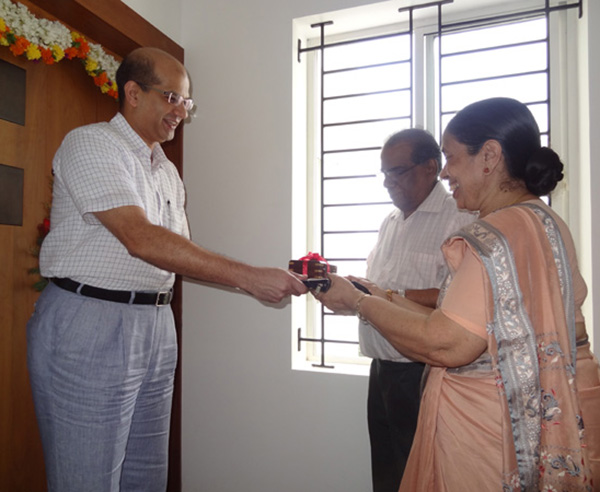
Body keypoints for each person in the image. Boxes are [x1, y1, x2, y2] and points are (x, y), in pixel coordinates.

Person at [26, 47, 307, 492]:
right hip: (90, 320)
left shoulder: (167, 173)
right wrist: (248, 276)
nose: (181, 112)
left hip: (156, 325)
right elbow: (140, 239)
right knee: (87, 479)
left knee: (146, 477)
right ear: (133, 93)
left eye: (186, 102)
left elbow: (176, 252)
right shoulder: (93, 143)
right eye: (171, 98)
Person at [315, 97, 599, 491]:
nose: (445, 172)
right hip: (538, 409)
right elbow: (463, 320)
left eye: (450, 157)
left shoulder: (493, 234)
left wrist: (359, 302)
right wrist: (381, 295)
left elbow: (448, 343)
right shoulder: (543, 219)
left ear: (489, 155)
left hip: (492, 429)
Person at [351, 129, 474, 492]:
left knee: (421, 475)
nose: (388, 182)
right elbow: (380, 289)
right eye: (384, 173)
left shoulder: (458, 218)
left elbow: (460, 299)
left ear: (431, 167)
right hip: (382, 369)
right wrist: (353, 294)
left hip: (422, 369)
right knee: (387, 472)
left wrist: (385, 295)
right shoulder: (390, 222)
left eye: (398, 172)